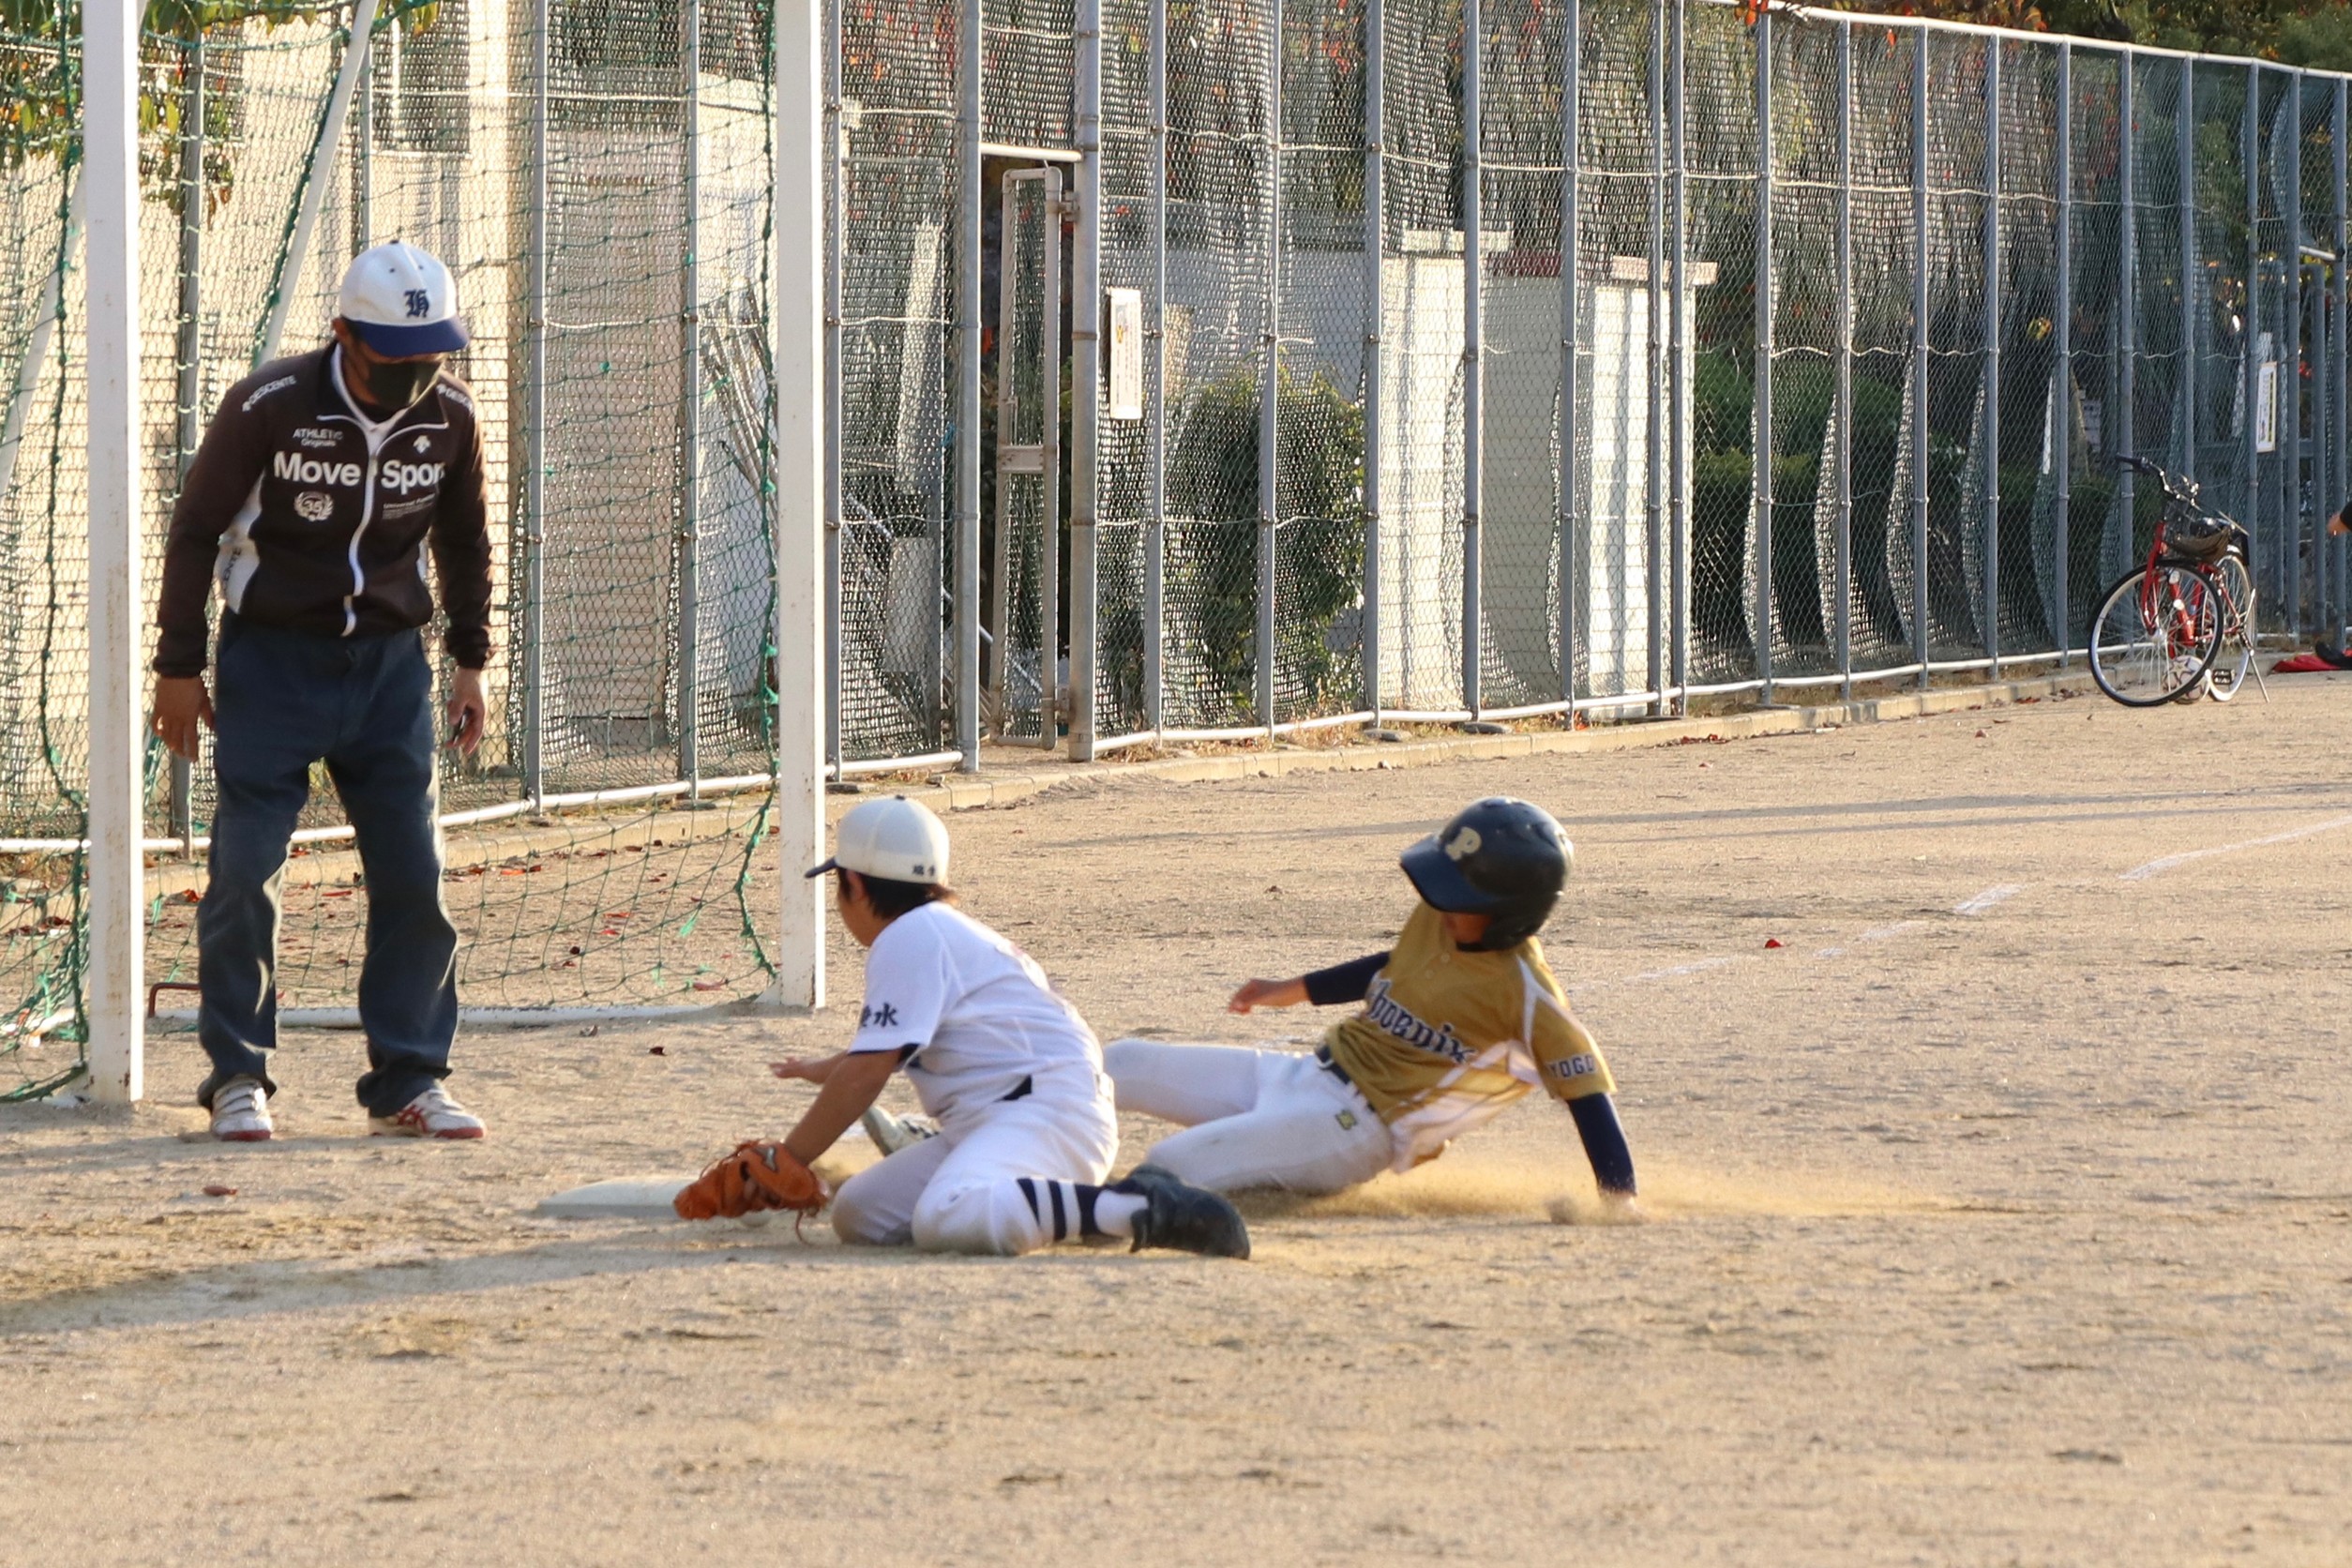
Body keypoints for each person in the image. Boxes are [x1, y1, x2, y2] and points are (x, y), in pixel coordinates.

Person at [150, 241, 492, 1143]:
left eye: (432, 358)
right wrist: (178, 666)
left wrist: (470, 658)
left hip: (388, 670)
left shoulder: (452, 416)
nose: (416, 377)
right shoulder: (269, 406)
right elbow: (193, 532)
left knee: (415, 872)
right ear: (344, 334)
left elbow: (464, 542)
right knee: (243, 874)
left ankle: (411, 1077)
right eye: (396, 359)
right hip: (272, 665)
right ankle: (238, 1075)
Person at [674, 795, 1250, 1259]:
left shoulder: (908, 937)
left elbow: (869, 1072)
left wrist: (787, 1157)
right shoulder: (933, 930)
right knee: (862, 1214)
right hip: (1014, 1112)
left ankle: (1136, 1208)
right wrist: (825, 1070)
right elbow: (888, 1052)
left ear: (854, 884)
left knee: (945, 1215)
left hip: (1045, 1113)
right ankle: (1048, 1204)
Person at [1104, 797, 1639, 1212]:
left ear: (1511, 912)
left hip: (1349, 1130)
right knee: (1118, 1062)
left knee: (1172, 1164)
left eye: (1459, 893)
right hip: (1302, 1076)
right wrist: (1291, 988)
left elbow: (1588, 1096)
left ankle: (1076, 1217)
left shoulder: (1526, 993)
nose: (1438, 897)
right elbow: (1392, 965)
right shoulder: (1440, 919)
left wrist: (1620, 1201)